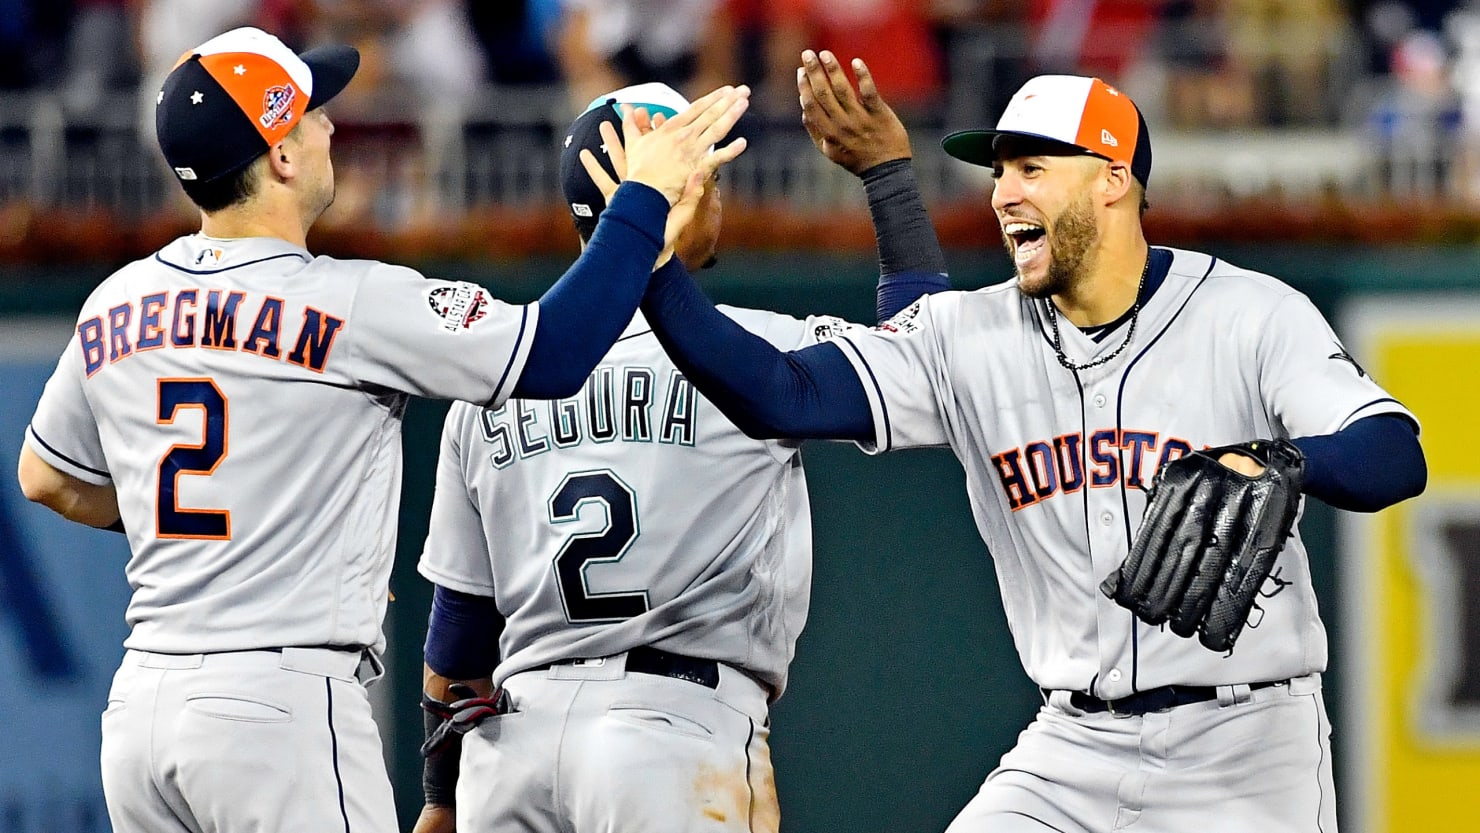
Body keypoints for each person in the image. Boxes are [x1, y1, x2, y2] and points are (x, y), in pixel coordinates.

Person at [630, 70, 1428, 832]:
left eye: (1033, 168)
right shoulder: (967, 333)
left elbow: (1394, 451)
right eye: (1000, 172)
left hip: (1246, 745)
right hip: (1073, 747)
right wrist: (654, 271)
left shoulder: (1250, 315)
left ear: (1111, 179)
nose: (1003, 194)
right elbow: (783, 393)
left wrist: (1284, 462)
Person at [14, 25, 749, 833]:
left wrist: (202, 529)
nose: (331, 124)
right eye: (311, 113)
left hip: (141, 712)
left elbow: (45, 477)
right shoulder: (350, 300)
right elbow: (554, 353)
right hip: (277, 709)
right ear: (281, 156)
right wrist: (641, 200)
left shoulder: (115, 302)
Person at [411, 55, 948, 833]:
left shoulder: (497, 375)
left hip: (513, 743)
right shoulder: (757, 352)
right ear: (678, 190)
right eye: (712, 178)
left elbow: (458, 628)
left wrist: (440, 792)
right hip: (672, 731)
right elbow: (927, 359)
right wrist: (890, 178)